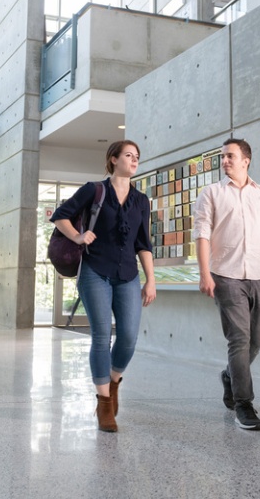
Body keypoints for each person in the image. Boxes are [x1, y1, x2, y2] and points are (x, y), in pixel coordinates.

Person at [50, 140, 156, 432]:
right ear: (113, 159)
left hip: (128, 276)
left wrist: (151, 280)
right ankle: (104, 404)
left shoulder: (141, 201)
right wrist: (78, 236)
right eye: (128, 155)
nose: (134, 161)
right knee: (100, 337)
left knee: (129, 338)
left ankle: (114, 380)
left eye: (137, 157)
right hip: (95, 271)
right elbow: (60, 216)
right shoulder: (94, 190)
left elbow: (143, 243)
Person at [193, 138, 260, 430]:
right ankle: (243, 404)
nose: (225, 161)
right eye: (223, 157)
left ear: (246, 160)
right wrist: (205, 273)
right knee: (239, 339)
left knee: (257, 338)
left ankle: (230, 376)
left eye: (230, 156)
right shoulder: (211, 193)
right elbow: (202, 235)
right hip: (226, 275)